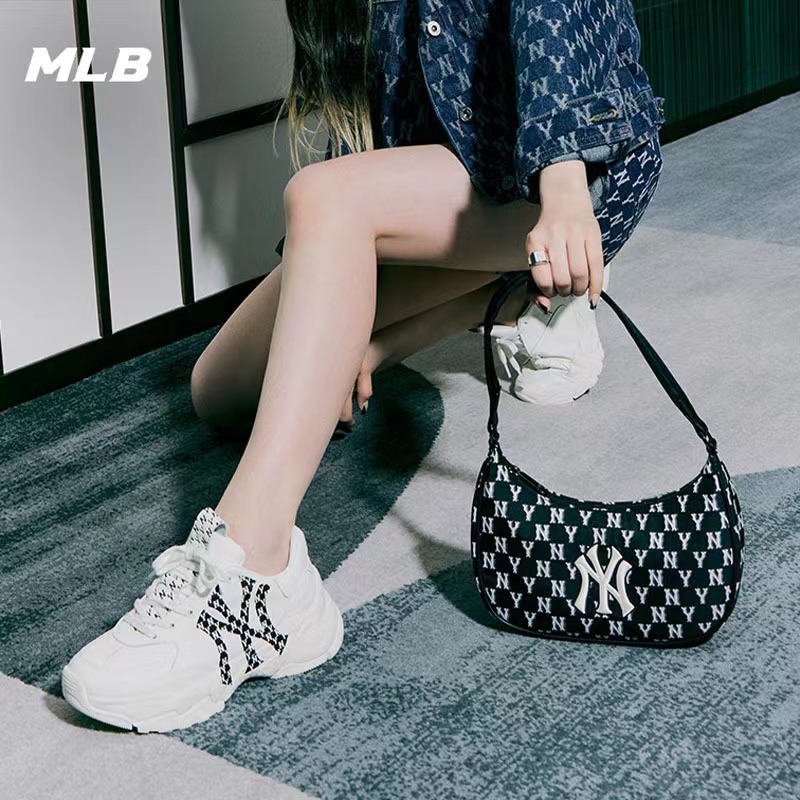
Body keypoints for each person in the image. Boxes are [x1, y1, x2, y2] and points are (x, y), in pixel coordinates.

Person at [60, 0, 666, 732]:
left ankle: (260, 569)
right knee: (220, 389)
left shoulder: (565, 169)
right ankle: (523, 301)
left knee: (320, 197)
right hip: (452, 182)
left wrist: (563, 182)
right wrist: (362, 336)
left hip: (561, 175)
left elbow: (554, 13)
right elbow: (379, 127)